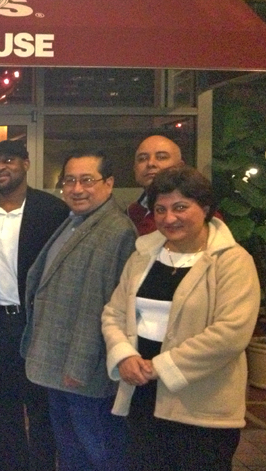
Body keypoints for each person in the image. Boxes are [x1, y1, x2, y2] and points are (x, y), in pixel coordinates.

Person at [102, 166, 260, 471]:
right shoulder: (143, 255)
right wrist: (123, 355)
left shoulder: (232, 261)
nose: (169, 218)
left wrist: (159, 366)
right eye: (160, 209)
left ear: (205, 208)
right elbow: (114, 312)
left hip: (202, 403)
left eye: (180, 207)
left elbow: (230, 334)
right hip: (142, 391)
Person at [22, 150, 136, 471]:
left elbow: (101, 306)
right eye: (69, 180)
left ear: (109, 183)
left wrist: (79, 367)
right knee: (72, 451)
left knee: (98, 453)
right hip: (58, 366)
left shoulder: (116, 231)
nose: (76, 188)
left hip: (82, 372)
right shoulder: (75, 222)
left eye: (87, 180)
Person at [0, 140, 68, 471]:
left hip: (36, 324)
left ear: (25, 163)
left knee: (39, 407)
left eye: (8, 160)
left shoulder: (51, 210)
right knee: (3, 408)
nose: (0, 168)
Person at [128, 135, 183, 235]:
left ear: (179, 167)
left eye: (161, 157)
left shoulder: (197, 213)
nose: (150, 163)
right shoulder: (133, 212)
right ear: (134, 169)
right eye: (142, 158)